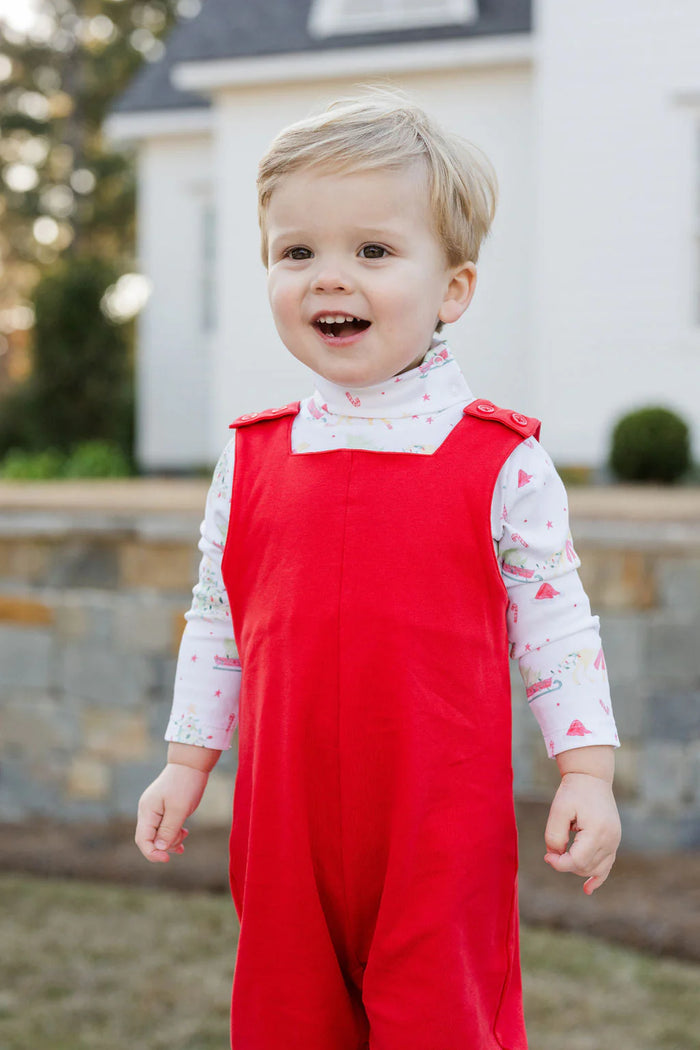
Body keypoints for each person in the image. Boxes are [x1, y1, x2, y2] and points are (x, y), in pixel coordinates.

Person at [135, 89, 621, 1050]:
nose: (330, 279)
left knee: (439, 1025)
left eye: (373, 251)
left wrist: (588, 773)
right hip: (285, 828)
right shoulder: (252, 456)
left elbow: (557, 623)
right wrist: (186, 763)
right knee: (287, 1023)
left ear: (454, 289)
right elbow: (219, 615)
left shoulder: (502, 461)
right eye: (297, 251)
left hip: (440, 830)